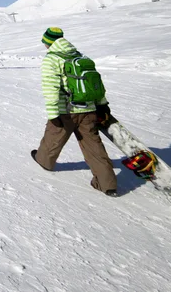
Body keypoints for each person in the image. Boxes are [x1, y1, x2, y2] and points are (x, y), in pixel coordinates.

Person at [31, 27, 117, 196]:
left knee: (53, 137)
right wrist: (102, 104)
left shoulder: (52, 59)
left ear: (49, 42)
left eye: (45, 43)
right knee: (93, 145)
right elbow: (95, 83)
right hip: (89, 108)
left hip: (67, 111)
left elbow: (51, 88)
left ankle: (44, 161)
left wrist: (53, 114)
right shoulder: (80, 56)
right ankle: (108, 184)